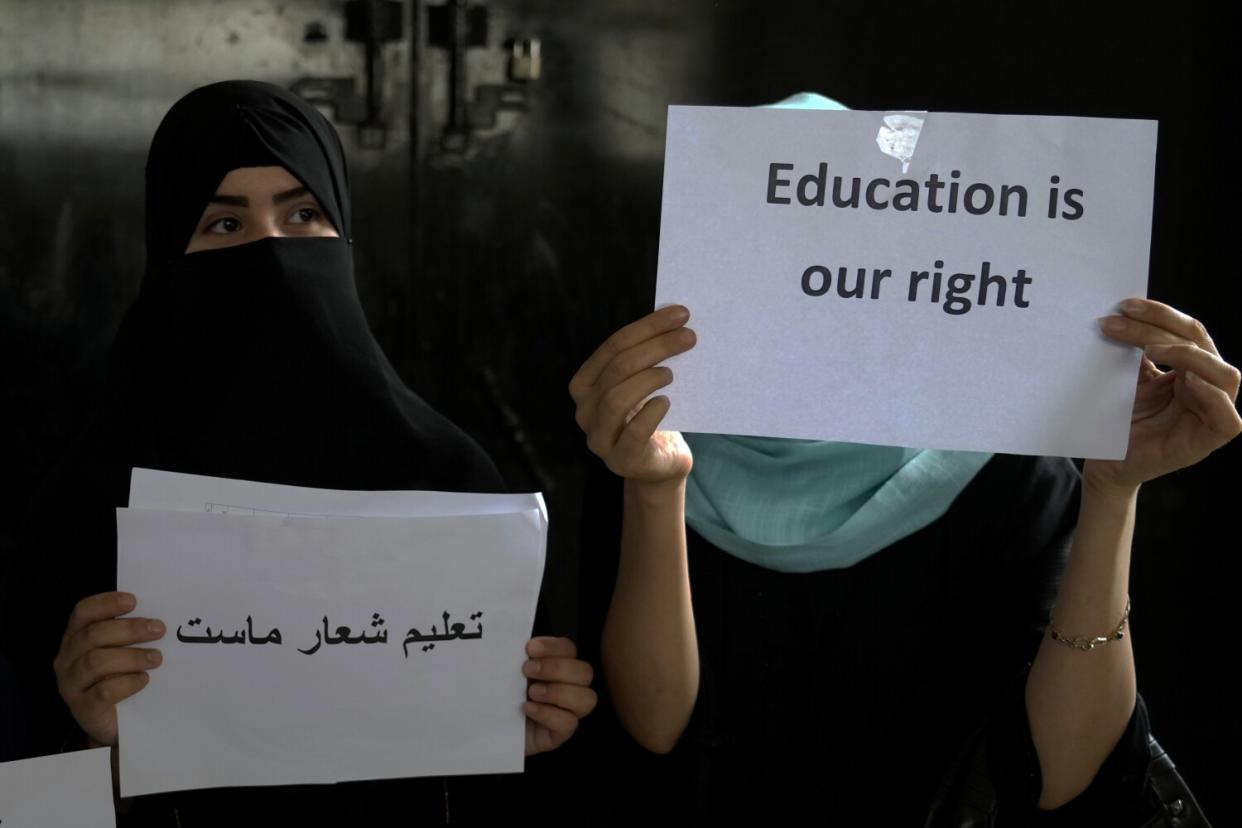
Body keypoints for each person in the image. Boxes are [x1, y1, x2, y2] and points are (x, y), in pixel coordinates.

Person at [569, 95, 1238, 826]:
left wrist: (1113, 489)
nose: (816, 280)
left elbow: (1060, 777)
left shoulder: (1006, 473)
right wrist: (655, 491)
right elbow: (656, 732)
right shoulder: (651, 445)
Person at [0, 80, 595, 825]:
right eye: (223, 224)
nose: (272, 253)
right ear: (167, 252)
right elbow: (29, 812)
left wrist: (528, 740)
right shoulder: (87, 506)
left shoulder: (449, 484)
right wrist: (96, 745)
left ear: (343, 232)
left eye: (303, 213)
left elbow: (499, 787)